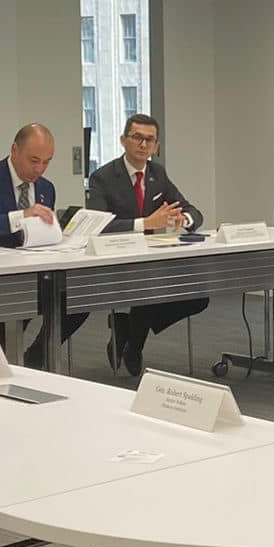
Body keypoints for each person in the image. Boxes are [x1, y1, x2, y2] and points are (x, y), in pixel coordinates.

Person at [0, 124, 85, 367]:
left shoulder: (46, 188)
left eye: (46, 162)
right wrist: (18, 217)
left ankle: (39, 356)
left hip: (37, 271)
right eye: (34, 160)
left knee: (81, 297)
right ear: (15, 150)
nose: (39, 169)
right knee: (22, 297)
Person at [84, 113, 206, 376]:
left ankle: (127, 328)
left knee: (199, 296)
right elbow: (98, 226)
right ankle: (134, 344)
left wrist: (182, 219)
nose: (143, 144)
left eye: (149, 140)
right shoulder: (103, 177)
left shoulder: (157, 174)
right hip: (116, 260)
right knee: (148, 290)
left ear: (156, 146)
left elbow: (193, 211)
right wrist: (145, 223)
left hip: (151, 259)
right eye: (137, 137)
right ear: (123, 140)